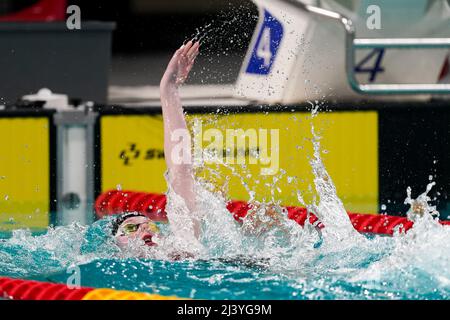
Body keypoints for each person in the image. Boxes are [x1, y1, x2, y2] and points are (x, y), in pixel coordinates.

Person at [111, 40, 287, 252]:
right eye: (130, 228)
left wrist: (169, 89)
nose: (144, 229)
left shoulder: (182, 245)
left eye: (148, 224)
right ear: (116, 245)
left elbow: (181, 170)